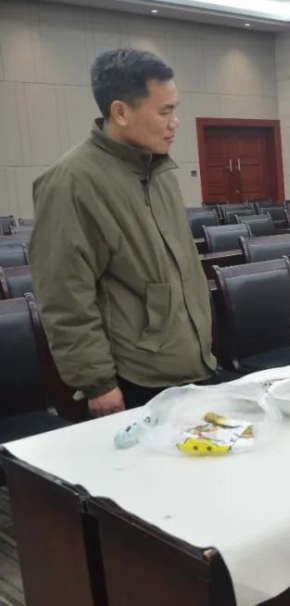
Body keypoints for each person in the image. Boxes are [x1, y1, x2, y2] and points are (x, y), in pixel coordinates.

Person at [30, 49, 218, 417]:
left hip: (191, 364)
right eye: (164, 111)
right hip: (135, 378)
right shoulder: (71, 183)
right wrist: (97, 382)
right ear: (120, 112)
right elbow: (65, 297)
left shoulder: (158, 170)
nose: (175, 123)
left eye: (175, 110)